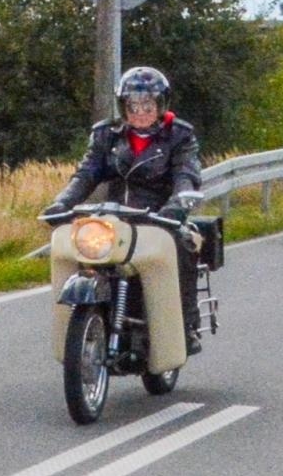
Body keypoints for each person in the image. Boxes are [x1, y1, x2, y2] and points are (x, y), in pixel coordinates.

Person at [44, 67, 207, 354]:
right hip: (114, 216)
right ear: (123, 107)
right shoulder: (106, 134)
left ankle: (185, 326)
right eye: (133, 105)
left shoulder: (179, 135)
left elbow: (186, 175)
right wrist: (63, 202)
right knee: (84, 248)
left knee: (182, 245)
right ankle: (85, 324)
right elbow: (86, 174)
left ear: (160, 106)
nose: (140, 112)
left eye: (147, 105)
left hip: (157, 217)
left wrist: (175, 207)